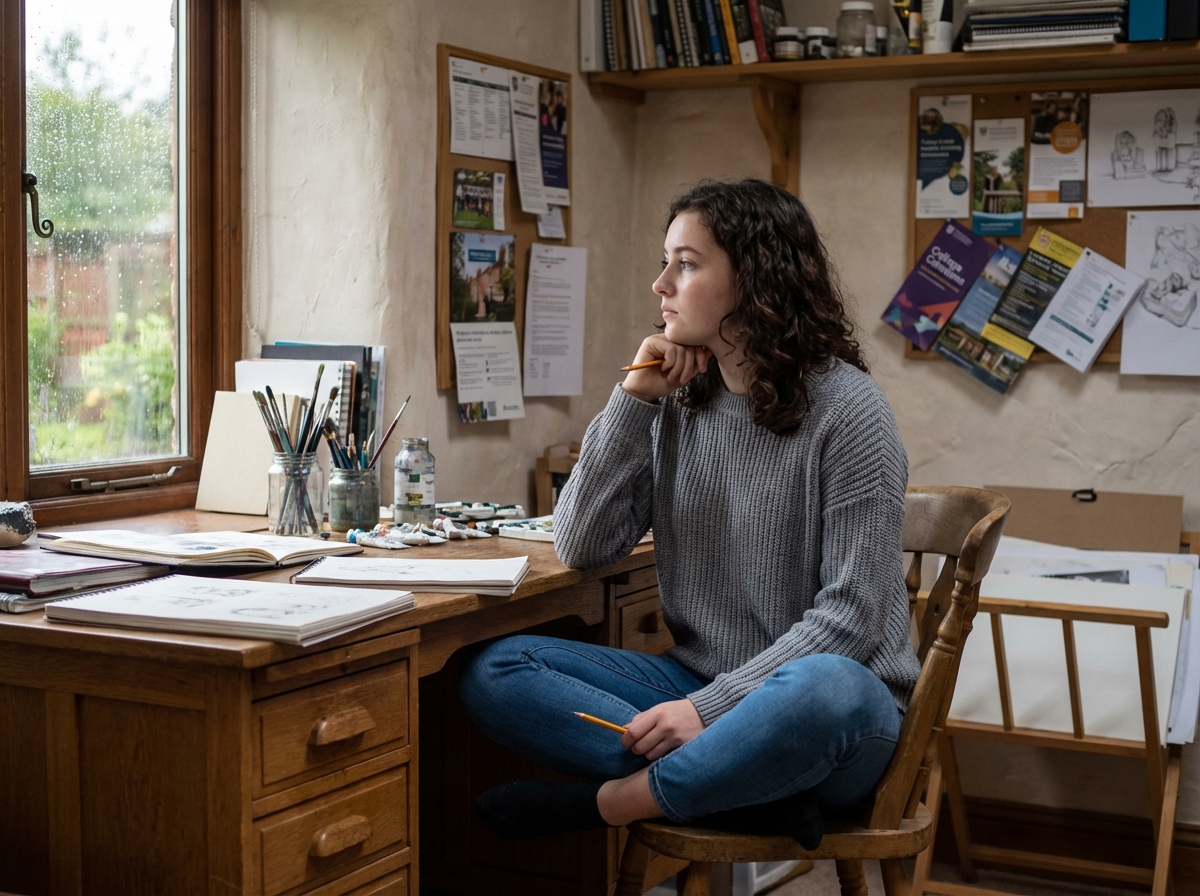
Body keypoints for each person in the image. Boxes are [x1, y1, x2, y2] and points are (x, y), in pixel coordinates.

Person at [459, 178, 919, 847]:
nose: (661, 284)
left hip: (833, 715)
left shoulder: (851, 412)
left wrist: (708, 711)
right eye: (665, 261)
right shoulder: (678, 400)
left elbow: (851, 619)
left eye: (687, 263)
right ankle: (747, 791)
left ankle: (616, 801)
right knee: (497, 670)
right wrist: (634, 397)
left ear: (756, 281)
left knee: (829, 686)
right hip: (699, 679)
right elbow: (582, 543)